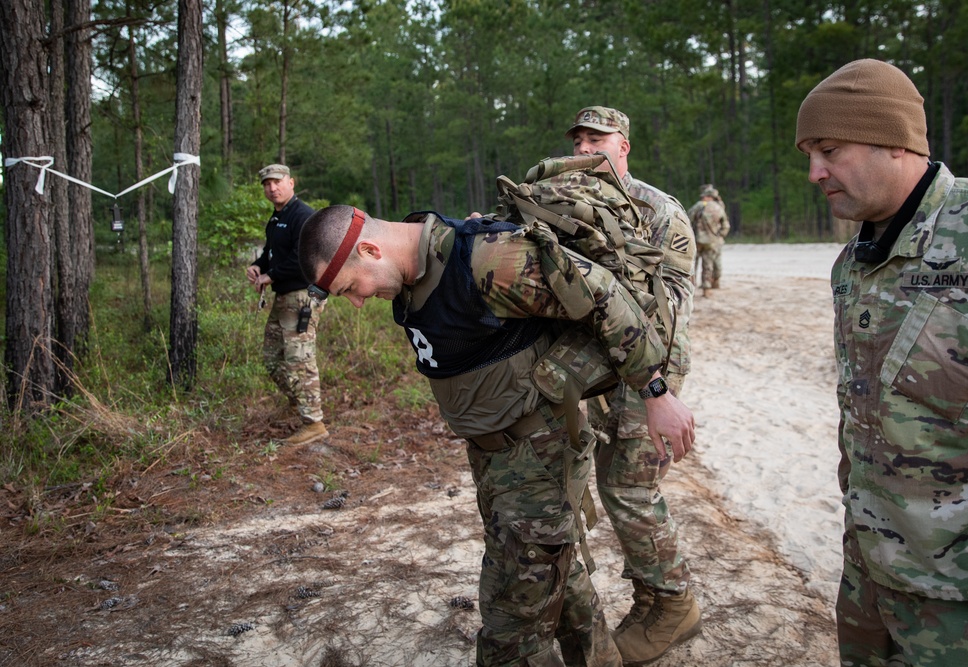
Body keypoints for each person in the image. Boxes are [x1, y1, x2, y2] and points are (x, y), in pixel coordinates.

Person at [298, 205, 697, 667]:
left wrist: (656, 393)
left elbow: (604, 296)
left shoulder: (487, 262)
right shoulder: (421, 267)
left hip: (537, 452)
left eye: (351, 287)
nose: (358, 300)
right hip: (493, 455)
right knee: (558, 576)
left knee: (510, 621)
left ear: (370, 249)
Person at [796, 58, 968, 666]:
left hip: (967, 598)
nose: (814, 172)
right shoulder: (853, 262)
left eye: (829, 149)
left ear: (894, 142)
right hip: (868, 571)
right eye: (808, 153)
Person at [567, 106, 702, 664]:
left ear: (624, 146)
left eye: (596, 139)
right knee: (613, 488)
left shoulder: (658, 210)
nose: (582, 149)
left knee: (631, 491)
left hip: (644, 371)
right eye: (577, 140)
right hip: (592, 371)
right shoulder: (570, 207)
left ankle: (674, 606)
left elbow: (668, 311)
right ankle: (649, 600)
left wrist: (657, 390)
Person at [246, 164, 327, 446]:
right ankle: (299, 401)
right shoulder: (276, 217)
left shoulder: (302, 216)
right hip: (283, 298)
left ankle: (313, 423)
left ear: (291, 182)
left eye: (277, 182)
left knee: (299, 359)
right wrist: (258, 266)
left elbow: (302, 257)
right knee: (272, 357)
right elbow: (273, 253)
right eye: (267, 184)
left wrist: (272, 275)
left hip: (302, 296)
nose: (272, 188)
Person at [687, 185, 730, 296]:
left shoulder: (699, 205)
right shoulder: (719, 207)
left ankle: (690, 287)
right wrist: (719, 236)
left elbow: (688, 218)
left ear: (708, 197)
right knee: (708, 265)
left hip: (697, 240)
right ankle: (706, 289)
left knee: (692, 264)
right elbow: (726, 225)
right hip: (712, 241)